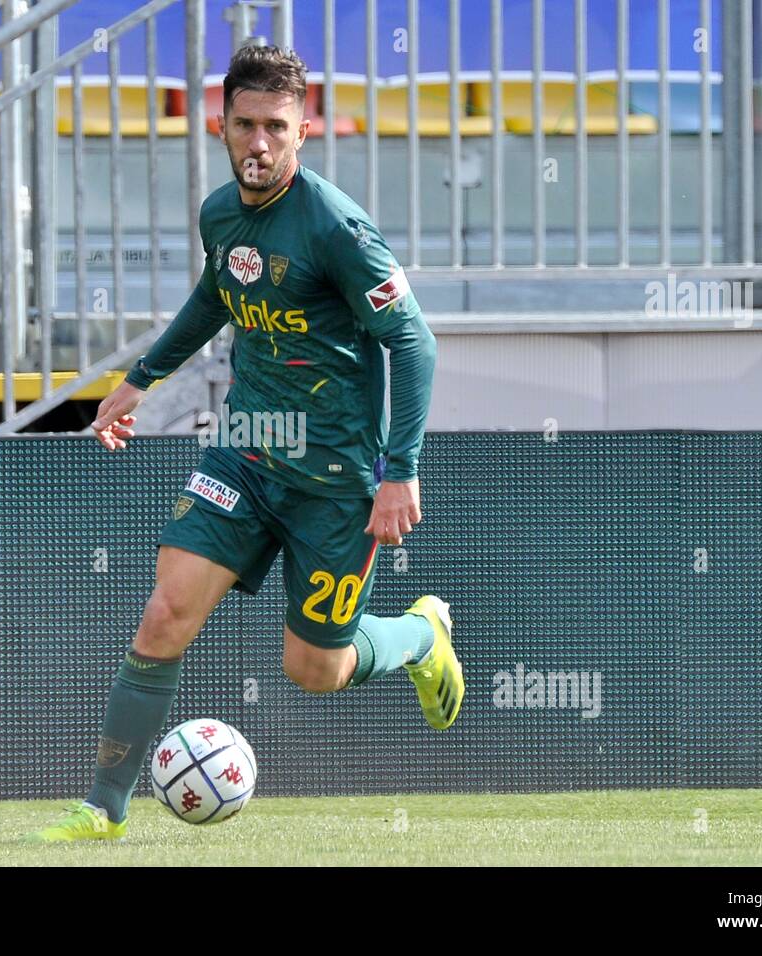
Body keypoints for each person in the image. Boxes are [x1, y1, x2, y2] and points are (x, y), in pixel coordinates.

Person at [32, 44, 460, 842]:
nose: (258, 143)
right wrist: (141, 378)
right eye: (244, 126)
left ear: (306, 131)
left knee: (315, 670)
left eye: (275, 127)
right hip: (248, 449)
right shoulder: (220, 214)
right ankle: (102, 810)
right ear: (219, 127)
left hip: (336, 479)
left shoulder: (337, 228)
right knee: (165, 615)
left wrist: (398, 471)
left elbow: (417, 343)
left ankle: (418, 635)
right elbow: (216, 294)